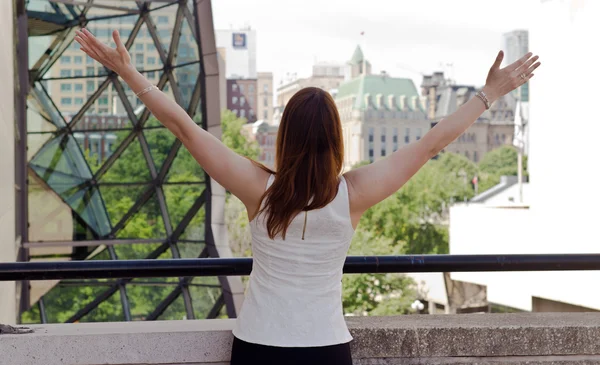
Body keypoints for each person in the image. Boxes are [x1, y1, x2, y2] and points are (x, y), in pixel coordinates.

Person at [75, 28, 540, 365]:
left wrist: (130, 74)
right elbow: (431, 144)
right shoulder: (353, 194)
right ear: (336, 138)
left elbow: (185, 129)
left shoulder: (259, 190)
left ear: (285, 136)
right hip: (325, 349)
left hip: (259, 347)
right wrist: (489, 93)